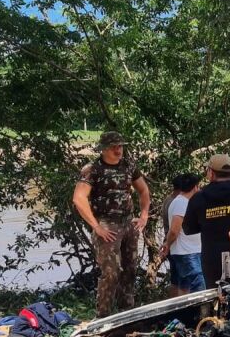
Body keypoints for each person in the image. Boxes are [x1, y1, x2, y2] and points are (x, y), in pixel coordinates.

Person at [72, 131, 150, 318]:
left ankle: (127, 313)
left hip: (128, 223)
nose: (118, 150)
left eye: (120, 146)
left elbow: (143, 190)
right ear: (104, 149)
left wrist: (144, 214)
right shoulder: (93, 169)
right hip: (107, 225)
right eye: (114, 147)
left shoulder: (129, 165)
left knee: (130, 269)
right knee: (111, 272)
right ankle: (103, 316)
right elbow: (79, 198)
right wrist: (96, 226)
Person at [183, 154, 230, 287]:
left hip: (212, 261)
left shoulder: (198, 198)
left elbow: (188, 229)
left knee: (214, 298)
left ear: (211, 173)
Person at [159, 174, 205, 295]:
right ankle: (198, 313)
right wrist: (168, 244)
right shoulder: (181, 203)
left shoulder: (183, 202)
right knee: (198, 287)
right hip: (187, 253)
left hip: (189, 252)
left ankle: (182, 313)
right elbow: (174, 230)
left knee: (185, 287)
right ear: (195, 187)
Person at [160, 175, 182, 297]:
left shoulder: (168, 199)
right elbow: (174, 230)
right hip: (174, 244)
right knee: (178, 281)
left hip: (170, 243)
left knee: (175, 279)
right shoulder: (176, 202)